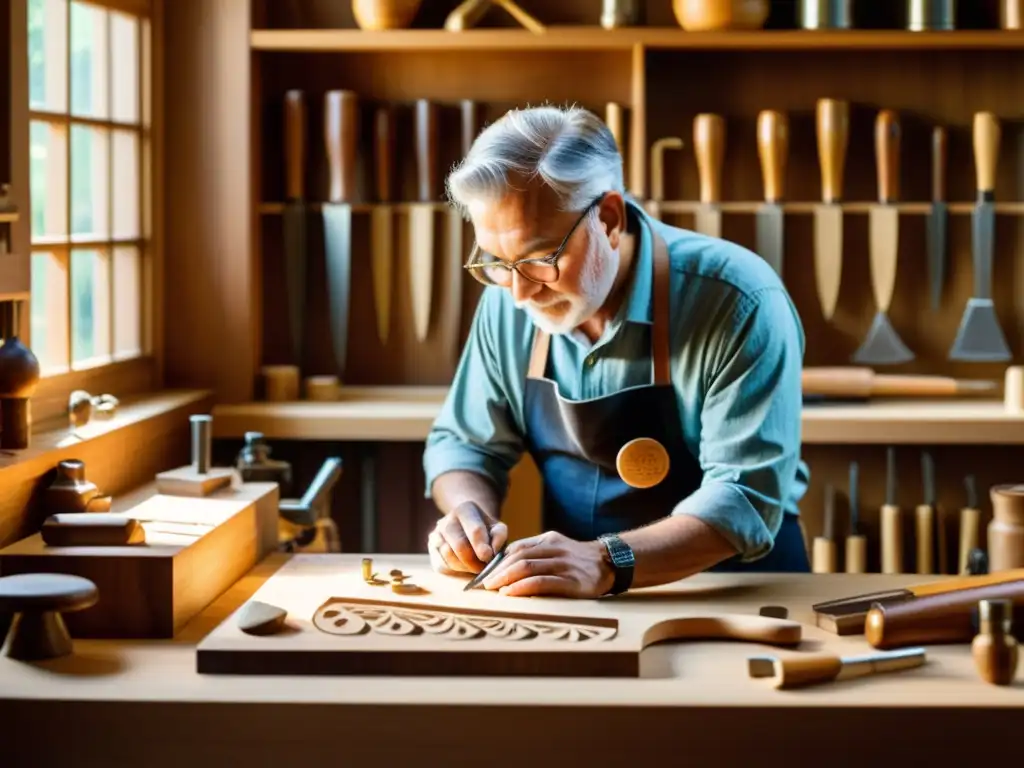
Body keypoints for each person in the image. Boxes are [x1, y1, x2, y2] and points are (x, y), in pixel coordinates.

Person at [422, 105, 811, 599]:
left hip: (736, 593)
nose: (518, 293)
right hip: (578, 595)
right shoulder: (508, 300)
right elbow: (465, 444)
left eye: (541, 258)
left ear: (608, 218)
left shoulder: (738, 300)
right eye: (497, 261)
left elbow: (743, 496)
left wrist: (605, 560)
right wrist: (467, 514)